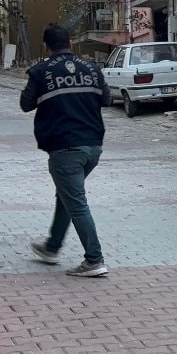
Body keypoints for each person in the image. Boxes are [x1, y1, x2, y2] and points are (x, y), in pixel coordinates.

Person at [20, 25, 111, 277]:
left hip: (64, 148)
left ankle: (94, 260)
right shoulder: (92, 69)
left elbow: (25, 104)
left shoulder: (40, 72)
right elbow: (106, 99)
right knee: (67, 196)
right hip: (93, 147)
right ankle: (52, 247)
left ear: (46, 46)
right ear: (70, 43)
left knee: (77, 203)